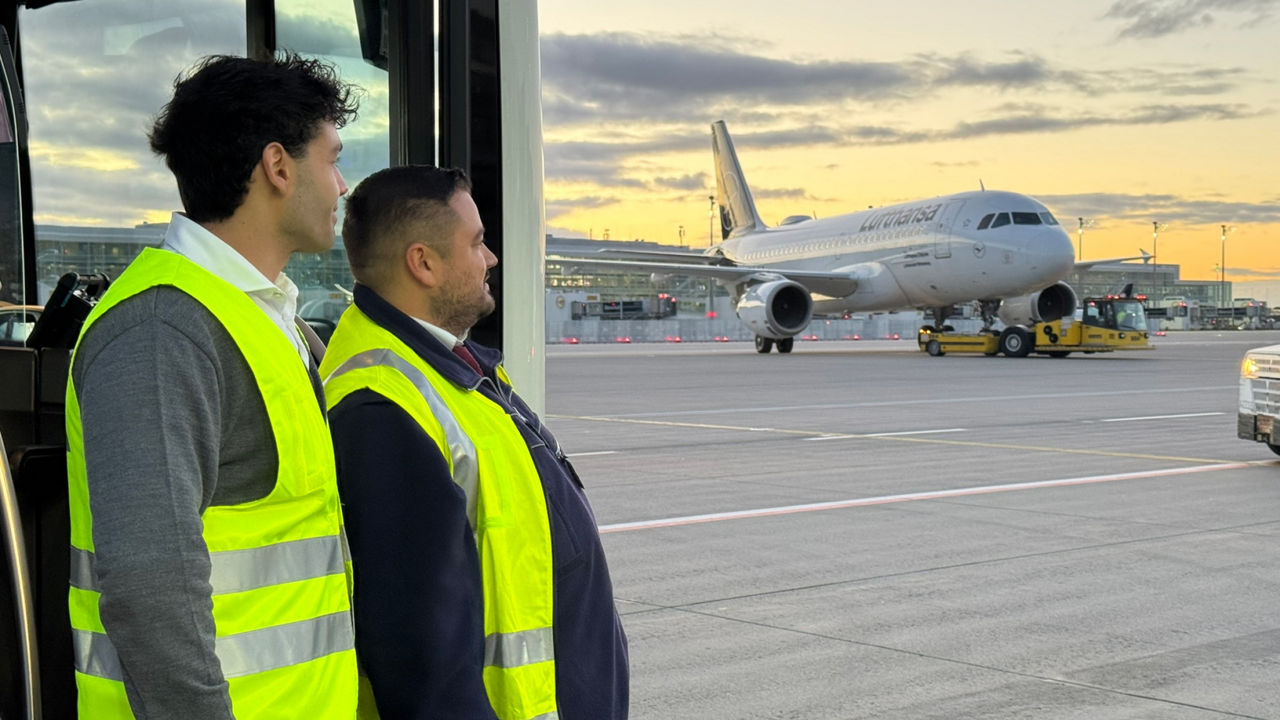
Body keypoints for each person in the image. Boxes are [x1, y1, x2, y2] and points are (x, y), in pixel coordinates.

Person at [66, 54, 360, 719]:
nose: (342, 186)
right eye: (333, 160)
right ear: (278, 166)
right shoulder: (162, 331)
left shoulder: (263, 317)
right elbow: (149, 589)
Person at [321, 165, 629, 720]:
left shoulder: (450, 369)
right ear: (423, 263)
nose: (490, 258)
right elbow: (423, 662)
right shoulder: (383, 409)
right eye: (477, 242)